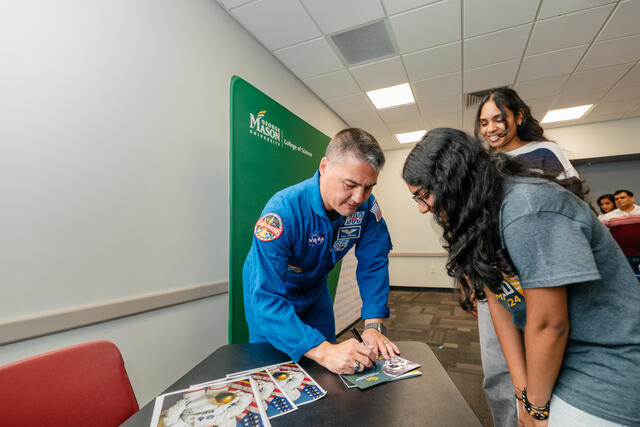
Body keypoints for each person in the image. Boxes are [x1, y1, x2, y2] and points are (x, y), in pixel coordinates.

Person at [403, 127, 640, 426]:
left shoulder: (527, 206)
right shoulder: (481, 217)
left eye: (424, 196)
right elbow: (500, 301)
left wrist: (536, 408)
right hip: (561, 355)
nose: (424, 209)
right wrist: (522, 394)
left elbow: (549, 324)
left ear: (454, 180)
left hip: (607, 360)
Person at [243, 128, 399, 376]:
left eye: (368, 187)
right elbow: (266, 299)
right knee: (273, 373)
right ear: (324, 167)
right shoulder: (282, 212)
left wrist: (373, 325)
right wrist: (323, 351)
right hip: (270, 295)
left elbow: (374, 262)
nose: (359, 197)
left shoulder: (367, 208)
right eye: (350, 184)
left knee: (327, 371)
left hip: (315, 292)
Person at [474, 87, 580, 427]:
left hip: (542, 279)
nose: (491, 129)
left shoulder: (546, 153)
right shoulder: (484, 164)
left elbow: (574, 209)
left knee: (547, 360)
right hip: (496, 281)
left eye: (498, 119)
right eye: (483, 123)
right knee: (498, 370)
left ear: (518, 117)